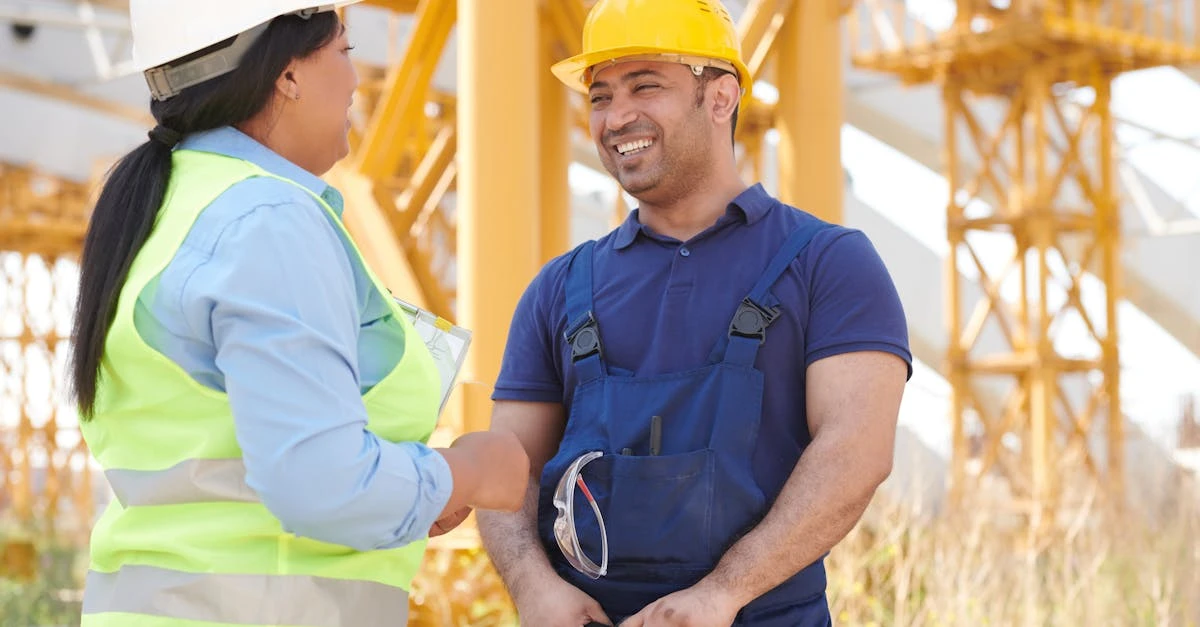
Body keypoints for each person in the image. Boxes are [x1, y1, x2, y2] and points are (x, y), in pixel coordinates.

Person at [69, 2, 529, 625]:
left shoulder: (168, 208)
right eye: (344, 50)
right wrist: (468, 471)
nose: (357, 77)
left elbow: (236, 471)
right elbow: (320, 485)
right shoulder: (269, 221)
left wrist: (408, 489)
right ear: (286, 74)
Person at [476, 0, 912, 625]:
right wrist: (532, 586)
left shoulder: (828, 264)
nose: (616, 116)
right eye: (600, 97)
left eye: (645, 86)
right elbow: (505, 467)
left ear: (721, 96)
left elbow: (857, 451)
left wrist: (724, 593)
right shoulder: (558, 288)